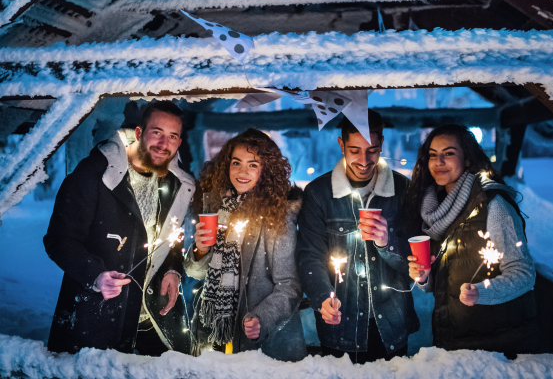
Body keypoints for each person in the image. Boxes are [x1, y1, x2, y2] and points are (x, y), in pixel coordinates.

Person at [44, 101, 195, 355]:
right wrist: (95, 275)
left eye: (172, 136)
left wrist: (172, 269)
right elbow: (59, 239)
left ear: (179, 143)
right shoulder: (96, 173)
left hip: (152, 321)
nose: (163, 144)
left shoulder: (180, 185)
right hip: (97, 320)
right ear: (138, 132)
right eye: (156, 132)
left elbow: (171, 238)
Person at [296, 110, 420, 364]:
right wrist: (322, 298)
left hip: (392, 325)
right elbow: (310, 256)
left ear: (382, 144)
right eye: (355, 150)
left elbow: (414, 267)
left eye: (372, 150)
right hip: (342, 324)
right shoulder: (319, 194)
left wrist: (388, 243)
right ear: (341, 145)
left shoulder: (402, 191)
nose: (364, 160)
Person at [406, 124, 538, 358]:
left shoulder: (492, 205)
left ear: (467, 159)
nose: (439, 162)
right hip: (452, 341)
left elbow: (524, 273)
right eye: (433, 155)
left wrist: (481, 293)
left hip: (498, 345)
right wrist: (424, 277)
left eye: (448, 153)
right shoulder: (434, 210)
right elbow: (443, 279)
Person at [184, 128, 306, 362]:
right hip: (215, 338)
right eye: (236, 163)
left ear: (266, 170)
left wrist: (263, 319)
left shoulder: (278, 215)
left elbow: (289, 285)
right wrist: (200, 251)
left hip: (265, 345)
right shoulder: (217, 208)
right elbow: (195, 273)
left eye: (253, 165)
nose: (242, 172)